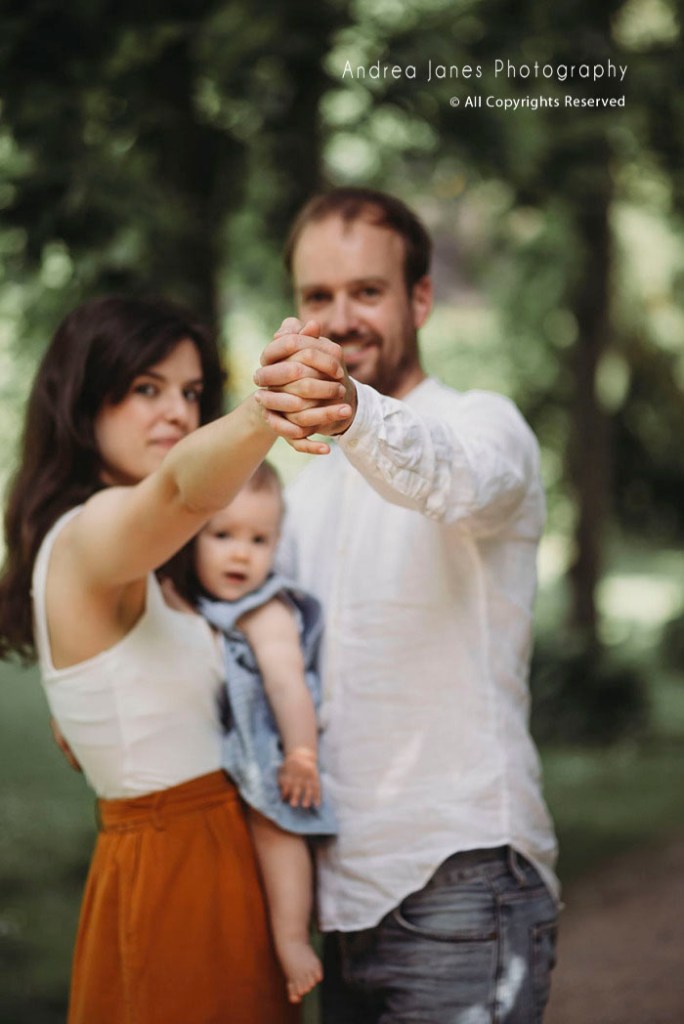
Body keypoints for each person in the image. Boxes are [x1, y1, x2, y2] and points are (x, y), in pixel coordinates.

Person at [254, 187, 560, 1024]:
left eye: (367, 291)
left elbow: (453, 476)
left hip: (461, 877)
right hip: (338, 907)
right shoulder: (305, 494)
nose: (341, 317)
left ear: (420, 298)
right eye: (318, 296)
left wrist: (349, 410)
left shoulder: (484, 425)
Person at [0, 295, 349, 1024]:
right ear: (83, 401)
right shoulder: (91, 532)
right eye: (145, 389)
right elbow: (181, 489)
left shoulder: (157, 567)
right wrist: (265, 411)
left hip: (216, 858)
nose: (176, 413)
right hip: (174, 870)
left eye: (190, 392)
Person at [176, 460, 336, 1004]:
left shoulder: (265, 610)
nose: (242, 553)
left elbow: (289, 685)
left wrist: (300, 754)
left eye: (259, 539)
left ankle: (293, 939)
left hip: (270, 751)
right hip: (219, 764)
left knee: (276, 828)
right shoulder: (193, 604)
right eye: (222, 535)